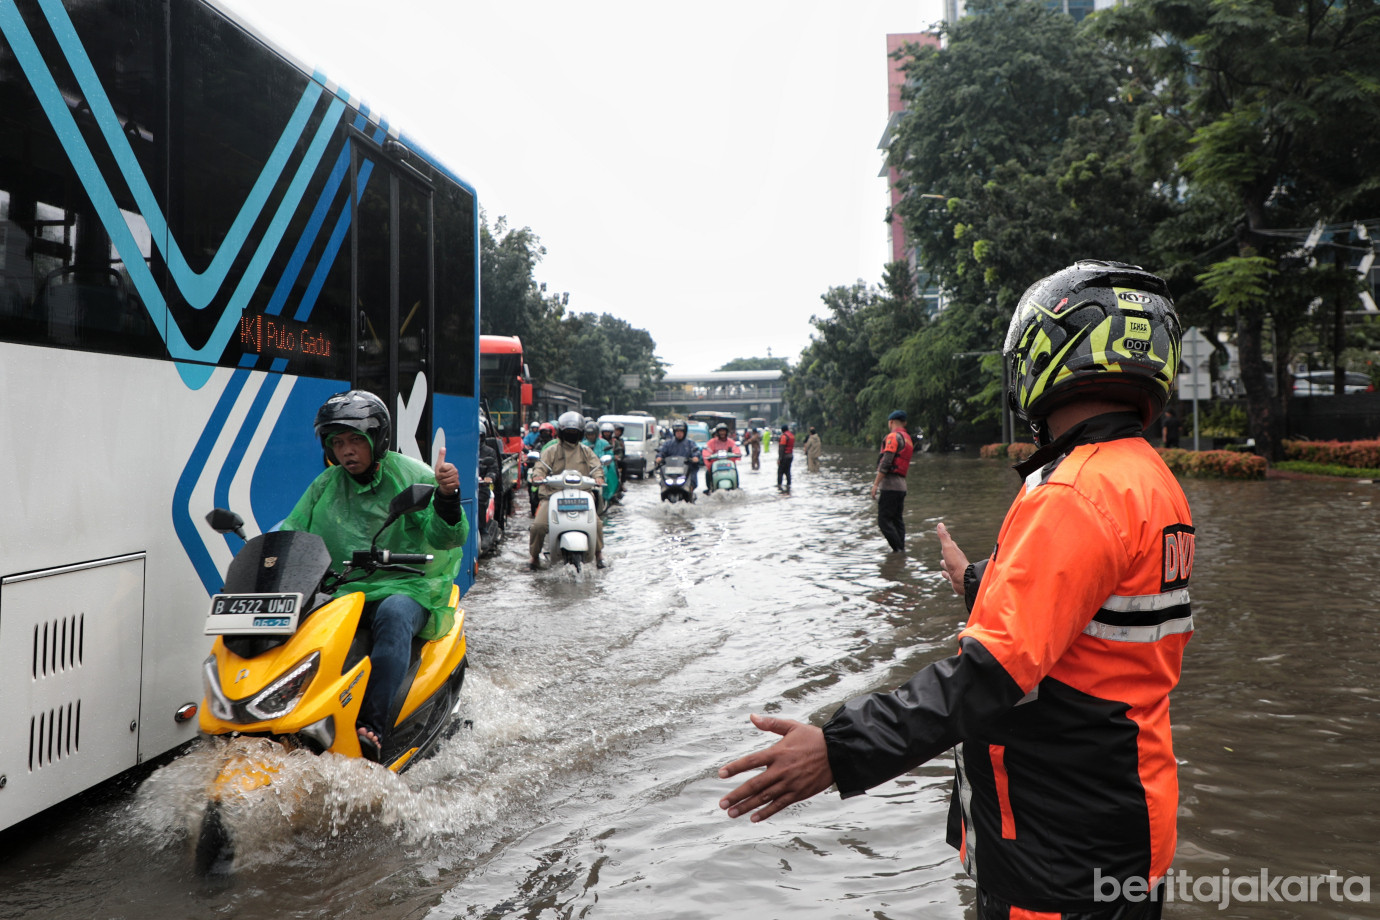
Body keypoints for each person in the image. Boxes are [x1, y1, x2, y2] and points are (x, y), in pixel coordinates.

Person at [719, 260, 1194, 920]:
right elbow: (1086, 626)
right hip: (1124, 817)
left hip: (1058, 846)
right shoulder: (1146, 478)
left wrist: (838, 748)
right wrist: (976, 580)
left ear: (1047, 357)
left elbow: (987, 678)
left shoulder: (1073, 492)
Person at [282, 390, 468, 763]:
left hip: (408, 584)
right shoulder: (325, 484)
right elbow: (293, 531)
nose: (346, 450)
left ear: (377, 439)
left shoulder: (411, 475)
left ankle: (372, 727)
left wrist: (447, 497)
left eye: (355, 440)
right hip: (344, 590)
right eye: (337, 442)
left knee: (394, 614)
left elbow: (445, 535)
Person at [530, 411, 605, 569]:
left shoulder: (586, 451)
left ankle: (599, 555)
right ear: (561, 433)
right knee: (538, 526)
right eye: (568, 432)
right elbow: (540, 467)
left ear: (580, 434)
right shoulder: (551, 451)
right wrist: (537, 476)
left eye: (574, 432)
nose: (571, 435)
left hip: (582, 495)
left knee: (597, 524)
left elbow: (596, 467)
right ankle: (534, 558)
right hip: (552, 495)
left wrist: (599, 477)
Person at [870, 410, 913, 553]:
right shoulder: (907, 439)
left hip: (890, 486)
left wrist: (876, 484)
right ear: (905, 423)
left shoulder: (893, 437)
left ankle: (898, 551)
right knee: (897, 520)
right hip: (902, 486)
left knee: (883, 521)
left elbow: (886, 462)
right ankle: (901, 551)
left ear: (891, 422)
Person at [654, 419, 702, 497]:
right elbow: (661, 452)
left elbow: (695, 451)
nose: (679, 433)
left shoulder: (690, 443)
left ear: (684, 432)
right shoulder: (668, 444)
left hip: (685, 471)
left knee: (692, 476)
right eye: (677, 431)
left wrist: (695, 457)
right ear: (674, 432)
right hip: (670, 472)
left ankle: (690, 492)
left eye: (681, 431)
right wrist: (659, 457)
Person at [701, 422, 742, 494]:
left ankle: (736, 486)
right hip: (715, 465)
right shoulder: (712, 442)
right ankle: (709, 488)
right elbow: (707, 450)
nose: (722, 433)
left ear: (726, 432)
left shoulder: (731, 442)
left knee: (735, 470)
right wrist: (708, 456)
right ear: (717, 432)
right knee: (708, 472)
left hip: (728, 465)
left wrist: (737, 454)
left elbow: (736, 449)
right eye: (720, 431)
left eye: (724, 431)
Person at [775, 424, 795, 493]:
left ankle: (779, 485)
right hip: (790, 456)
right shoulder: (791, 435)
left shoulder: (784, 436)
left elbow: (781, 448)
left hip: (785, 456)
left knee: (780, 472)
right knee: (788, 472)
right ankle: (788, 485)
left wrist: (779, 459)